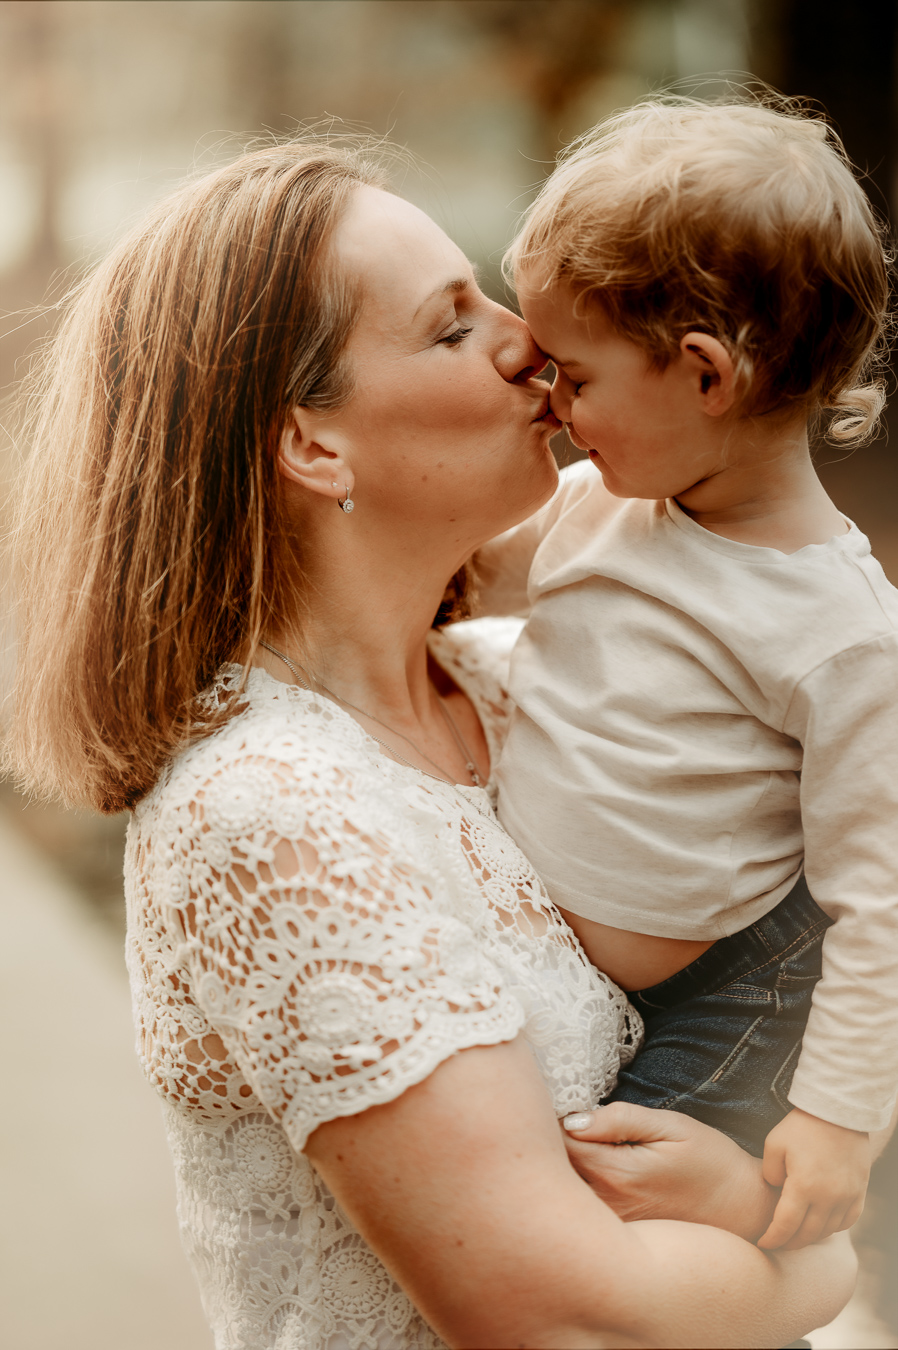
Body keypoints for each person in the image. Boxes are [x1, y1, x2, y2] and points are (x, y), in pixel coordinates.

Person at [7, 139, 854, 1349]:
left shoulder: (516, 690)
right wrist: (823, 1255)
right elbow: (565, 1321)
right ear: (312, 446)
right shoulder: (270, 817)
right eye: (451, 327)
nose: (528, 343)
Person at [476, 95, 898, 1255]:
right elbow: (447, 588)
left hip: (733, 993)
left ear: (705, 375)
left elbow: (882, 903)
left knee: (632, 1239)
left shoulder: (840, 633)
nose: (549, 405)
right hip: (577, 975)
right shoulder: (590, 514)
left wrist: (835, 1123)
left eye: (572, 374)